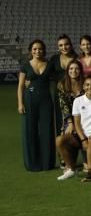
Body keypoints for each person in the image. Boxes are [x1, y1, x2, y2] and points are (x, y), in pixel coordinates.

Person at [55, 76, 91, 180]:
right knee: (59, 140)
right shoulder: (78, 101)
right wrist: (83, 139)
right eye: (87, 85)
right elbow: (77, 123)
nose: (90, 87)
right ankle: (71, 169)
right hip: (82, 137)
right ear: (83, 86)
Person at [18, 40, 58, 171]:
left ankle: (47, 163)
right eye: (34, 49)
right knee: (30, 131)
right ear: (31, 50)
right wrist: (20, 103)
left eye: (40, 49)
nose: (37, 51)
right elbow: (20, 86)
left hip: (46, 101)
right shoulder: (25, 66)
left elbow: (58, 80)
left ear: (44, 50)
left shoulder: (50, 65)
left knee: (47, 131)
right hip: (29, 100)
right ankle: (32, 163)